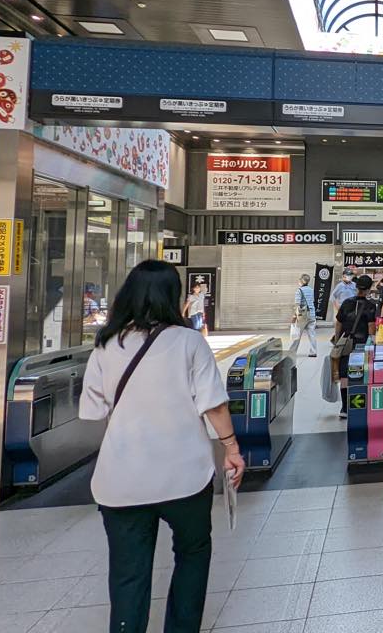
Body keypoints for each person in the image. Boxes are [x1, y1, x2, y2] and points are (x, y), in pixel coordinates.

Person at [79, 260, 244, 633]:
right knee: (192, 553)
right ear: (173, 295)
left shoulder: (105, 345)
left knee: (128, 571)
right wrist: (231, 448)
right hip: (184, 475)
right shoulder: (188, 341)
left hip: (120, 480)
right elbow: (214, 405)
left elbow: (93, 411)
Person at [334, 275, 377, 416]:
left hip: (346, 344)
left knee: (344, 375)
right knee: (358, 373)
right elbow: (371, 327)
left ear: (356, 287)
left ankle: (344, 408)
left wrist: (337, 341)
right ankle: (358, 406)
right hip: (361, 345)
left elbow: (339, 323)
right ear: (369, 289)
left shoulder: (346, 303)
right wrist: (372, 344)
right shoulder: (370, 306)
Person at [292, 273, 317, 356]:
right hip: (312, 314)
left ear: (302, 281)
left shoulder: (299, 291)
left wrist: (294, 316)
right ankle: (313, 352)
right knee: (312, 334)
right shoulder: (311, 290)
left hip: (303, 316)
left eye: (300, 279)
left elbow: (297, 305)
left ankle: (292, 351)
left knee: (297, 334)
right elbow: (312, 301)